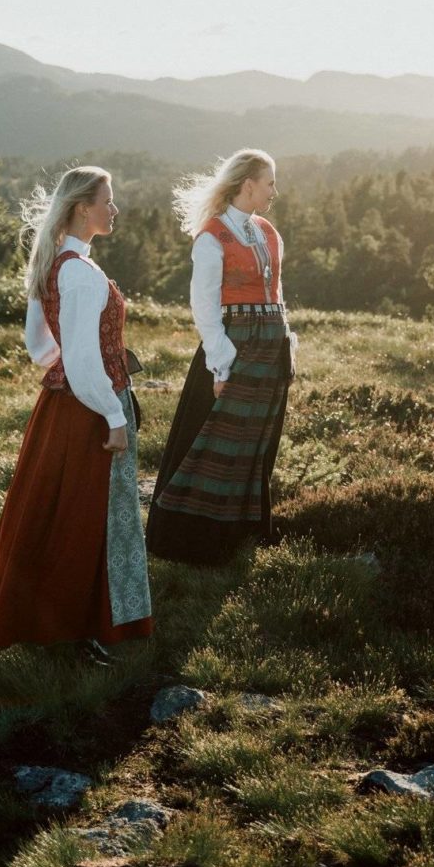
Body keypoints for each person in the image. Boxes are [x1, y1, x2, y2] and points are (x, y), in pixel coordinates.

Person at [0, 166, 152, 659]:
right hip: (88, 412)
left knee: (59, 513)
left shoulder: (57, 261)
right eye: (108, 200)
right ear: (83, 207)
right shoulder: (78, 273)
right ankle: (84, 627)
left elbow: (40, 344)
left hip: (62, 407)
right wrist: (113, 416)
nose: (114, 209)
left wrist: (68, 374)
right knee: (91, 517)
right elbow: (80, 360)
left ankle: (54, 623)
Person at [145, 148, 293, 565]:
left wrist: (286, 340)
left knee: (255, 441)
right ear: (249, 184)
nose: (273, 191)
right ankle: (194, 540)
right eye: (269, 183)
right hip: (237, 347)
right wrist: (222, 362)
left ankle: (240, 533)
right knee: (214, 444)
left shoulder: (266, 231)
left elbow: (276, 292)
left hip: (270, 349)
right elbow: (204, 306)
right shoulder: (212, 237)